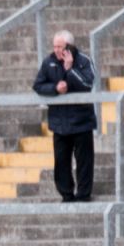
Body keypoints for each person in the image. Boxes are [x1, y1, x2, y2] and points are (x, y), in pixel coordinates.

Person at [33, 30, 97, 203]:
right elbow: (38, 86)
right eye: (54, 46)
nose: (56, 50)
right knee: (61, 162)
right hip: (59, 122)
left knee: (84, 161)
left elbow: (87, 84)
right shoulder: (49, 62)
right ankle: (66, 195)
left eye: (60, 46)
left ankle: (83, 195)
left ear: (69, 46)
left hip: (82, 121)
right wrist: (55, 88)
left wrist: (70, 70)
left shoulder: (83, 61)